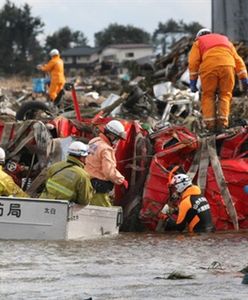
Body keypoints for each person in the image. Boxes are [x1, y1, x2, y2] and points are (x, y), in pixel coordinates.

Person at [188, 28, 248, 133]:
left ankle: (210, 126)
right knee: (225, 95)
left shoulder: (199, 42)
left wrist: (193, 81)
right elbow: (238, 60)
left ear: (198, 36)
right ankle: (223, 125)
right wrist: (244, 77)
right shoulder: (225, 41)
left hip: (209, 68)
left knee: (208, 95)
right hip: (228, 67)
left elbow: (193, 62)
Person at [85, 120, 128, 207]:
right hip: (98, 188)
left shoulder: (94, 141)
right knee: (104, 214)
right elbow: (109, 171)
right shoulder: (106, 149)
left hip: (87, 183)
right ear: (110, 135)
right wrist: (121, 180)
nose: (117, 141)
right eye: (117, 138)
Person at [39, 141, 93, 206]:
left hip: (43, 204)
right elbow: (84, 201)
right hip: (62, 209)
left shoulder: (55, 166)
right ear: (81, 157)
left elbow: (46, 182)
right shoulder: (82, 175)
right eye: (85, 157)